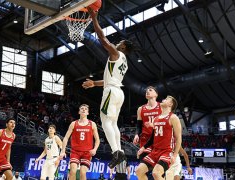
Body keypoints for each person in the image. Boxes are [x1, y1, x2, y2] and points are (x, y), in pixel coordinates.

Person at [82, 7, 135, 168]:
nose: (117, 43)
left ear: (124, 47)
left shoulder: (116, 53)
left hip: (111, 92)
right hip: (118, 92)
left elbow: (102, 38)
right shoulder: (124, 62)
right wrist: (94, 83)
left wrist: (94, 18)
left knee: (106, 122)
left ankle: (116, 152)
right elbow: (109, 80)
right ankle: (119, 151)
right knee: (113, 124)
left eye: (120, 43)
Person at [136, 96, 182, 180]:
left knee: (156, 174)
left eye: (166, 99)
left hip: (166, 151)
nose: (163, 100)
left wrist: (174, 155)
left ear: (170, 104)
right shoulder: (156, 118)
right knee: (139, 171)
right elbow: (152, 138)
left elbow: (179, 139)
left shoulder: (173, 117)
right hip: (155, 151)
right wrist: (143, 148)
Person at [57, 104, 100, 180]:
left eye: (85, 109)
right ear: (79, 112)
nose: (83, 110)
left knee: (82, 172)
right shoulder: (73, 123)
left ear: (88, 113)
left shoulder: (92, 124)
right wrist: (63, 151)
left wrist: (95, 149)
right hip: (75, 151)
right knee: (72, 171)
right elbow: (66, 137)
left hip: (87, 152)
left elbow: (97, 140)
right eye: (82, 109)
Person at [133, 86, 161, 160]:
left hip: (158, 138)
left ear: (156, 95)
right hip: (145, 139)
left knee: (157, 166)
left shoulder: (161, 107)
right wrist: (136, 135)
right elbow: (139, 125)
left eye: (150, 90)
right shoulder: (140, 109)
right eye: (146, 91)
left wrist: (153, 125)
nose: (147, 91)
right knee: (144, 162)